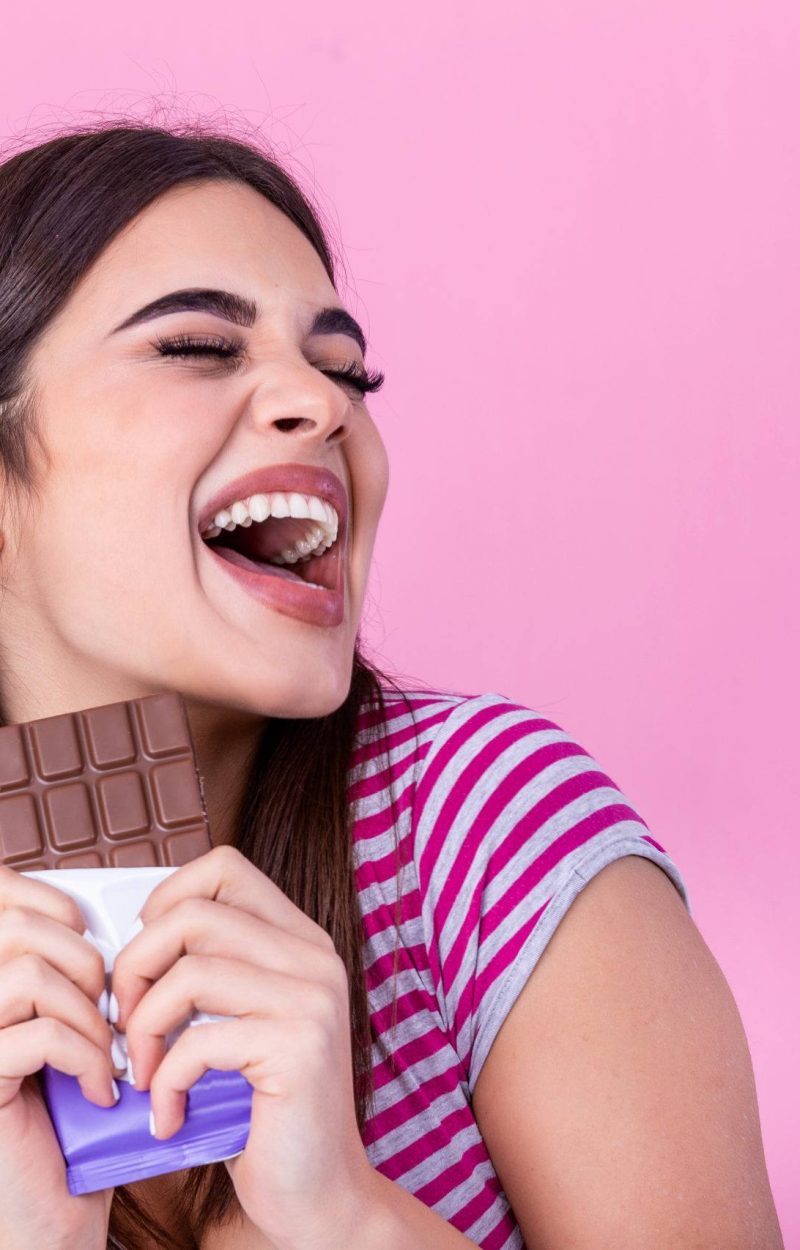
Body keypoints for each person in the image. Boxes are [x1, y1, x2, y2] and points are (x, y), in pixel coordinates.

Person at [0, 120, 783, 1250]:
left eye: (344, 369)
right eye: (196, 347)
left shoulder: (483, 829)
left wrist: (347, 1215)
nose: (321, 406)